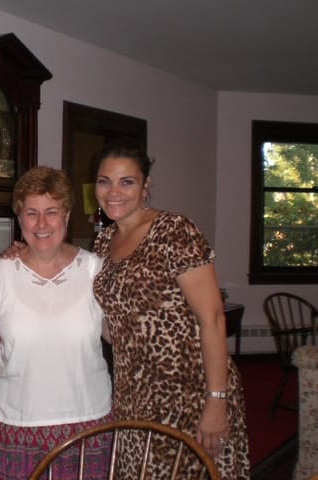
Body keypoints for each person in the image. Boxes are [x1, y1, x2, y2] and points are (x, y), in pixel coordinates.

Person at [91, 140, 249, 479]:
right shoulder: (103, 242)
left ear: (146, 185)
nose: (113, 192)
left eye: (126, 182)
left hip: (188, 390)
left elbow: (212, 318)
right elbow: (113, 320)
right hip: (133, 392)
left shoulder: (175, 230)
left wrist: (216, 401)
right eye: (105, 181)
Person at [0, 166, 112, 480]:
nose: (42, 224)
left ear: (67, 216)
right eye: (32, 213)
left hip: (88, 425)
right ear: (20, 219)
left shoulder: (95, 270)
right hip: (13, 426)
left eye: (51, 212)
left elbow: (119, 336)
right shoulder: (0, 274)